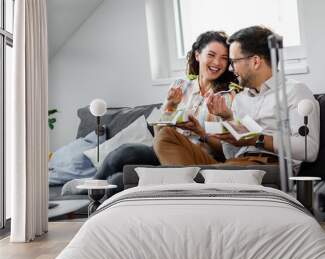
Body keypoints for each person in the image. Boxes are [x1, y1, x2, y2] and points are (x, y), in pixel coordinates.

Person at [154, 26, 320, 172]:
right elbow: (229, 155)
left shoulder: (294, 91)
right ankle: (196, 188)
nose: (231, 69)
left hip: (268, 165)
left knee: (216, 174)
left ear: (255, 62)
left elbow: (308, 150)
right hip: (234, 164)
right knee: (166, 136)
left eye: (233, 62)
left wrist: (257, 138)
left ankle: (194, 188)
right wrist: (227, 121)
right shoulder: (240, 100)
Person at [94, 31, 238, 182]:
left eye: (224, 58)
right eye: (211, 55)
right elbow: (158, 135)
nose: (217, 62)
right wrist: (170, 106)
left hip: (191, 159)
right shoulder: (180, 86)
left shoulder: (228, 97)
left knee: (118, 180)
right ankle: (91, 185)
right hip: (163, 150)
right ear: (197, 55)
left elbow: (226, 153)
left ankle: (95, 192)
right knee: (123, 154)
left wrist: (200, 132)